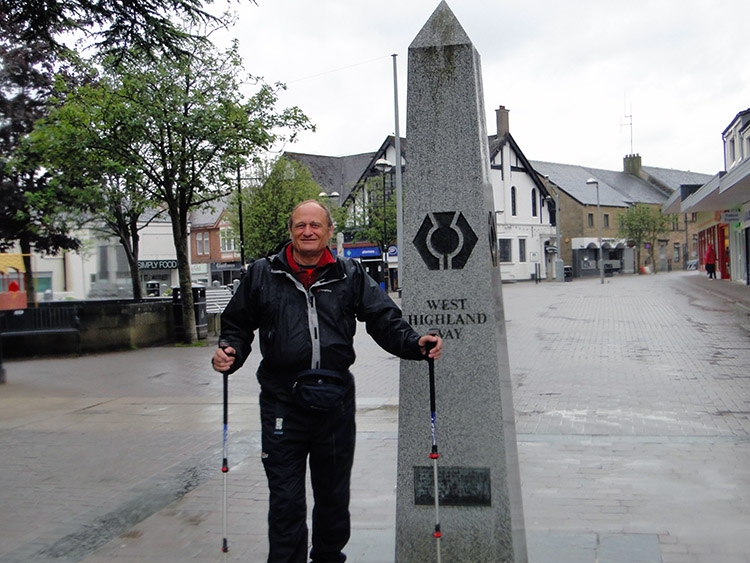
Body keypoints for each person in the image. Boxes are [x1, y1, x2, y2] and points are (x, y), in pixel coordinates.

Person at [212, 200, 442, 563]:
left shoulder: (349, 274)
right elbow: (237, 326)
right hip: (281, 402)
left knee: (333, 497)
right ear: (291, 231)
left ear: (329, 231)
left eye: (315, 225)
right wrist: (229, 352)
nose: (308, 231)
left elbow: (383, 318)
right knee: (286, 500)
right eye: (300, 225)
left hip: (335, 402)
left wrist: (415, 344)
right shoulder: (262, 274)